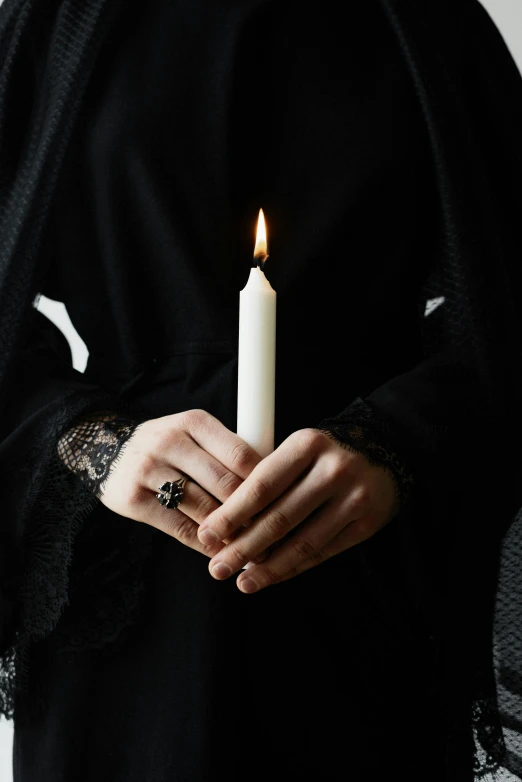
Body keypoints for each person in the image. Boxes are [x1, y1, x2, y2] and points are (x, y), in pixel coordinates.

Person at [0, 0, 522, 779]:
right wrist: (91, 443)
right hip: (125, 605)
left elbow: (509, 299)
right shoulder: (63, 17)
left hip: (363, 585)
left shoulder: (427, 22)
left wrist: (399, 440)